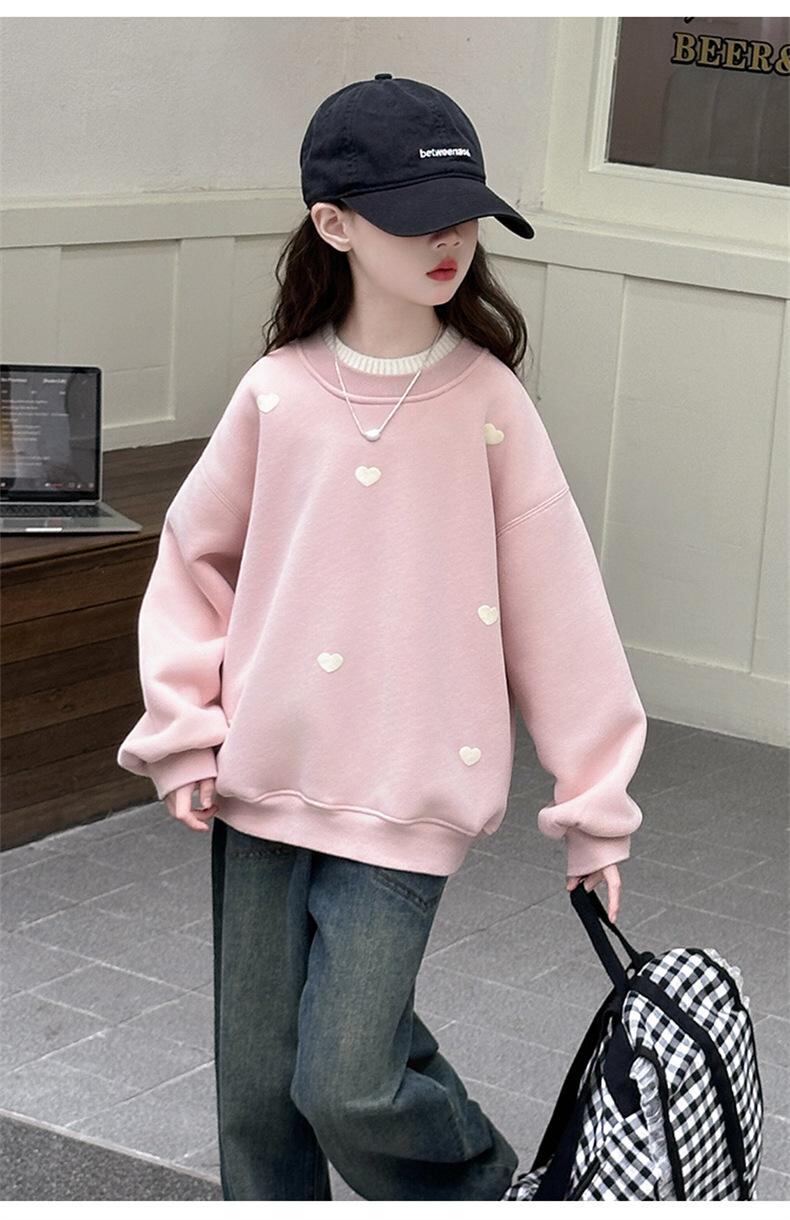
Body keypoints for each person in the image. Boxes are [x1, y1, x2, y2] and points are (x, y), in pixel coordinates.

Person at [117, 74, 648, 1201]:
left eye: (464, 215)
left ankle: (494, 1192)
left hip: (410, 792)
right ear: (335, 223)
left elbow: (560, 605)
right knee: (257, 1094)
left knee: (349, 1080)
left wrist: (593, 804)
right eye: (418, 216)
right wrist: (184, 727)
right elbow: (193, 559)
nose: (450, 239)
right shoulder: (276, 393)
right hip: (263, 780)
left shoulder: (490, 403)